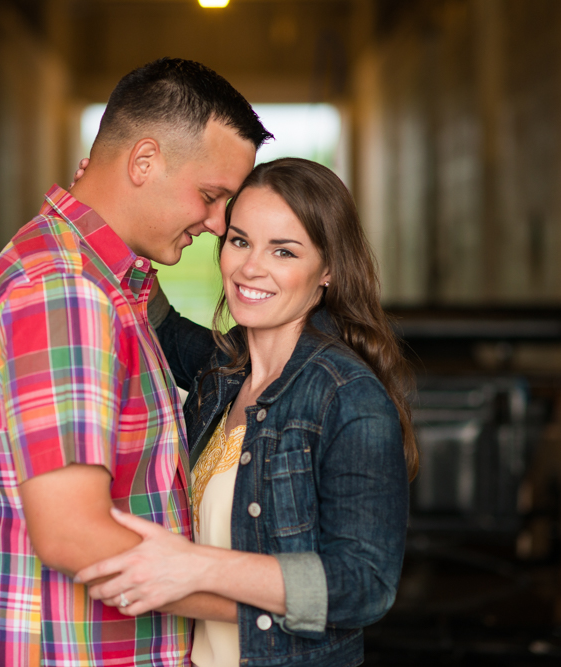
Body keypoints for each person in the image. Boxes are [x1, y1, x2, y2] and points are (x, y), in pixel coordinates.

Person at [0, 58, 272, 667]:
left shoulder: (96, 279)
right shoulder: (66, 291)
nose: (220, 225)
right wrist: (270, 608)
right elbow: (73, 534)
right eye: (212, 196)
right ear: (143, 162)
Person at [74, 158, 419, 667]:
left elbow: (364, 585)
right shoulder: (225, 368)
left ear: (328, 269)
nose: (250, 267)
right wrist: (111, 203)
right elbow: (155, 316)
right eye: (239, 241)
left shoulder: (348, 398)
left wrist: (197, 566)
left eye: (283, 250)